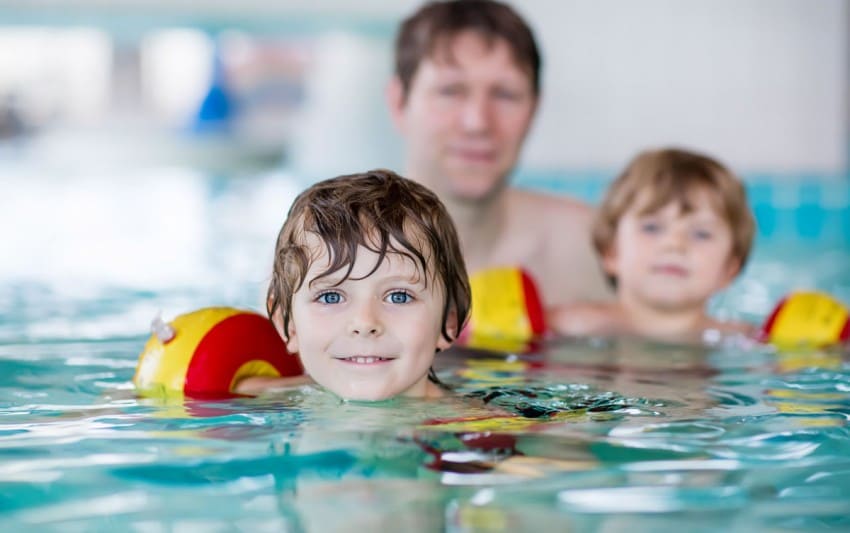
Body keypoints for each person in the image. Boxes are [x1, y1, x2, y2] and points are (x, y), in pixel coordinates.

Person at [385, 0, 612, 311]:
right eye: (451, 91)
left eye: (505, 95)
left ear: (533, 110)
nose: (477, 122)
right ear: (399, 103)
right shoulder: (331, 254)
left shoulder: (596, 249)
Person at [236, 169, 472, 400]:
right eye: (331, 297)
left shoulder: (479, 430)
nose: (365, 323)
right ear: (287, 324)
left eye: (399, 296)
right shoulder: (254, 400)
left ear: (449, 321)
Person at [548, 147, 756, 342]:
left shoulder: (742, 339)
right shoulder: (571, 325)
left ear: (730, 268)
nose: (674, 244)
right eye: (652, 228)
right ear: (612, 252)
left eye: (701, 234)